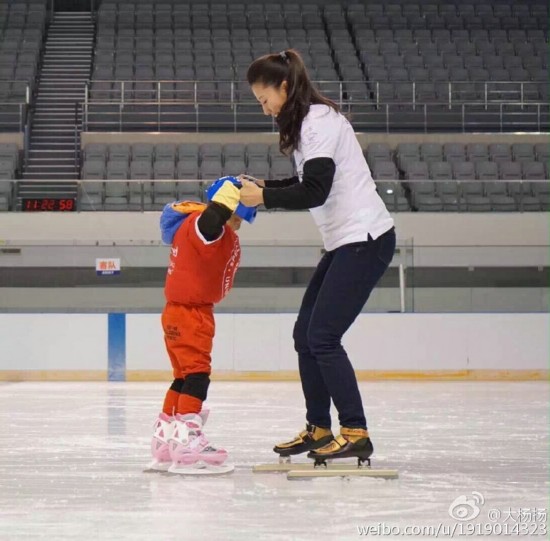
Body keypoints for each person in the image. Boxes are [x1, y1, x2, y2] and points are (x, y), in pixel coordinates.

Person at [239, 49, 396, 464]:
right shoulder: (306, 125)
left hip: (365, 238)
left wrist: (265, 197)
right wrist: (266, 185)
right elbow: (307, 180)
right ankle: (319, 427)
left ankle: (355, 430)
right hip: (345, 242)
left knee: (323, 336)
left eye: (264, 97)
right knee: (304, 335)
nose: (264, 106)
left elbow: (316, 190)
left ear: (285, 87)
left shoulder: (319, 121)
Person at [149, 176, 256, 473]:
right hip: (191, 313)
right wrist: (228, 197)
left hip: (176, 312)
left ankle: (166, 437)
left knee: (182, 376)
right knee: (197, 375)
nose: (237, 226)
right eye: (239, 219)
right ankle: (188, 441)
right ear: (230, 210)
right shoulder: (204, 225)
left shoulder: (192, 227)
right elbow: (211, 222)